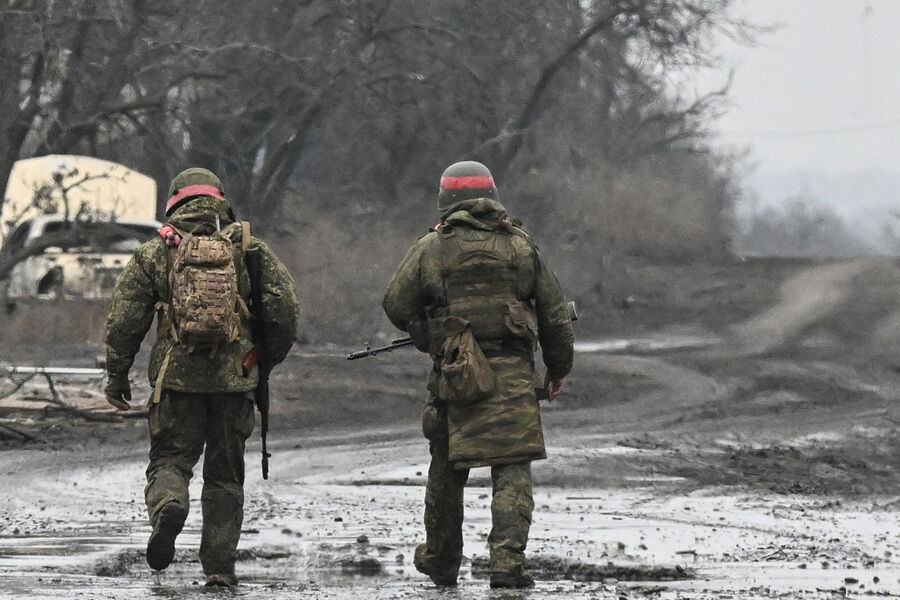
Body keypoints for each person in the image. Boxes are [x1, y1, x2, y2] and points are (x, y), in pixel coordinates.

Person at [382, 160, 574, 589]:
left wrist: (428, 334)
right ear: (492, 195)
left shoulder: (432, 248)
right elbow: (555, 315)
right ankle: (507, 565)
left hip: (456, 374)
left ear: (444, 201)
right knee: (511, 468)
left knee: (448, 468)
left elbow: (396, 305)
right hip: (513, 376)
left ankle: (443, 561)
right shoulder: (521, 247)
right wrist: (558, 370)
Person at [104, 167, 299, 588]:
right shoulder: (249, 248)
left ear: (174, 202)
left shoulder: (157, 252)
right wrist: (263, 360)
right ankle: (219, 570)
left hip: (176, 382)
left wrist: (117, 374)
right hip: (236, 379)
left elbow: (125, 320)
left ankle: (170, 506)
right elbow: (285, 310)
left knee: (171, 459)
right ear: (219, 200)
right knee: (225, 475)